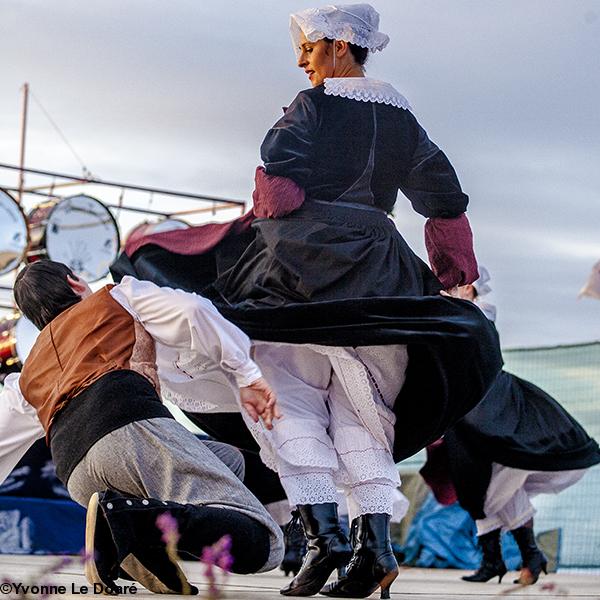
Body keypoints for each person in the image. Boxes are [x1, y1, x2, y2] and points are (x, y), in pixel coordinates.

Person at [110, 4, 503, 598]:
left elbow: (279, 193)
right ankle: (371, 551)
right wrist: (456, 276)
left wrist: (258, 204)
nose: (301, 59)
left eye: (309, 48)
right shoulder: (405, 122)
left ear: (341, 46)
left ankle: (326, 541)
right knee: (361, 410)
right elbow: (444, 201)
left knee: (285, 400)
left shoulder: (313, 105)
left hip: (295, 272)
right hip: (379, 274)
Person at [0, 260, 284, 594]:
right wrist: (246, 374)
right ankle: (130, 522)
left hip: (76, 472)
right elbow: (191, 310)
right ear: (76, 283)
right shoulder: (118, 296)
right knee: (264, 544)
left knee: (227, 459)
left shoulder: (30, 371)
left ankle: (138, 543)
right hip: (128, 427)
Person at [422, 267, 600, 585]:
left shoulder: (477, 315)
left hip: (493, 410)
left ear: (474, 291)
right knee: (476, 486)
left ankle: (520, 557)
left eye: (463, 286)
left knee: (498, 483)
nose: (456, 289)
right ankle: (504, 560)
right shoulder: (446, 315)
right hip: (466, 414)